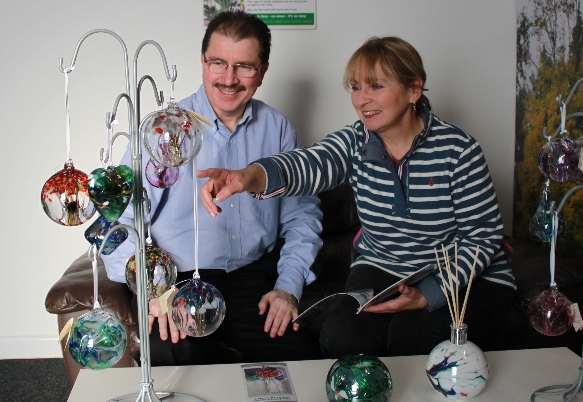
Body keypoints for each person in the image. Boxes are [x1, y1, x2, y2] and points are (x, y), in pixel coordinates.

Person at [197, 36, 517, 358]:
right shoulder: (355, 143)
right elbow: (308, 163)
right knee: (342, 340)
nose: (362, 100)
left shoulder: (459, 151)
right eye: (355, 87)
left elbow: (482, 238)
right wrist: (248, 176)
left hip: (465, 274)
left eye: (376, 86)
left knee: (414, 337)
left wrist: (428, 294)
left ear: (414, 90)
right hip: (384, 266)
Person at [102, 11, 323, 365]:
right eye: (218, 63)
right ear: (203, 63)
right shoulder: (162, 130)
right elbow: (120, 217)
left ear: (263, 72)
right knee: (169, 358)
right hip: (174, 280)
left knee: (302, 362)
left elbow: (303, 218)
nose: (229, 79)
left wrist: (287, 287)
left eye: (244, 66)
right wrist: (153, 291)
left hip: (251, 279)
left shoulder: (279, 129)